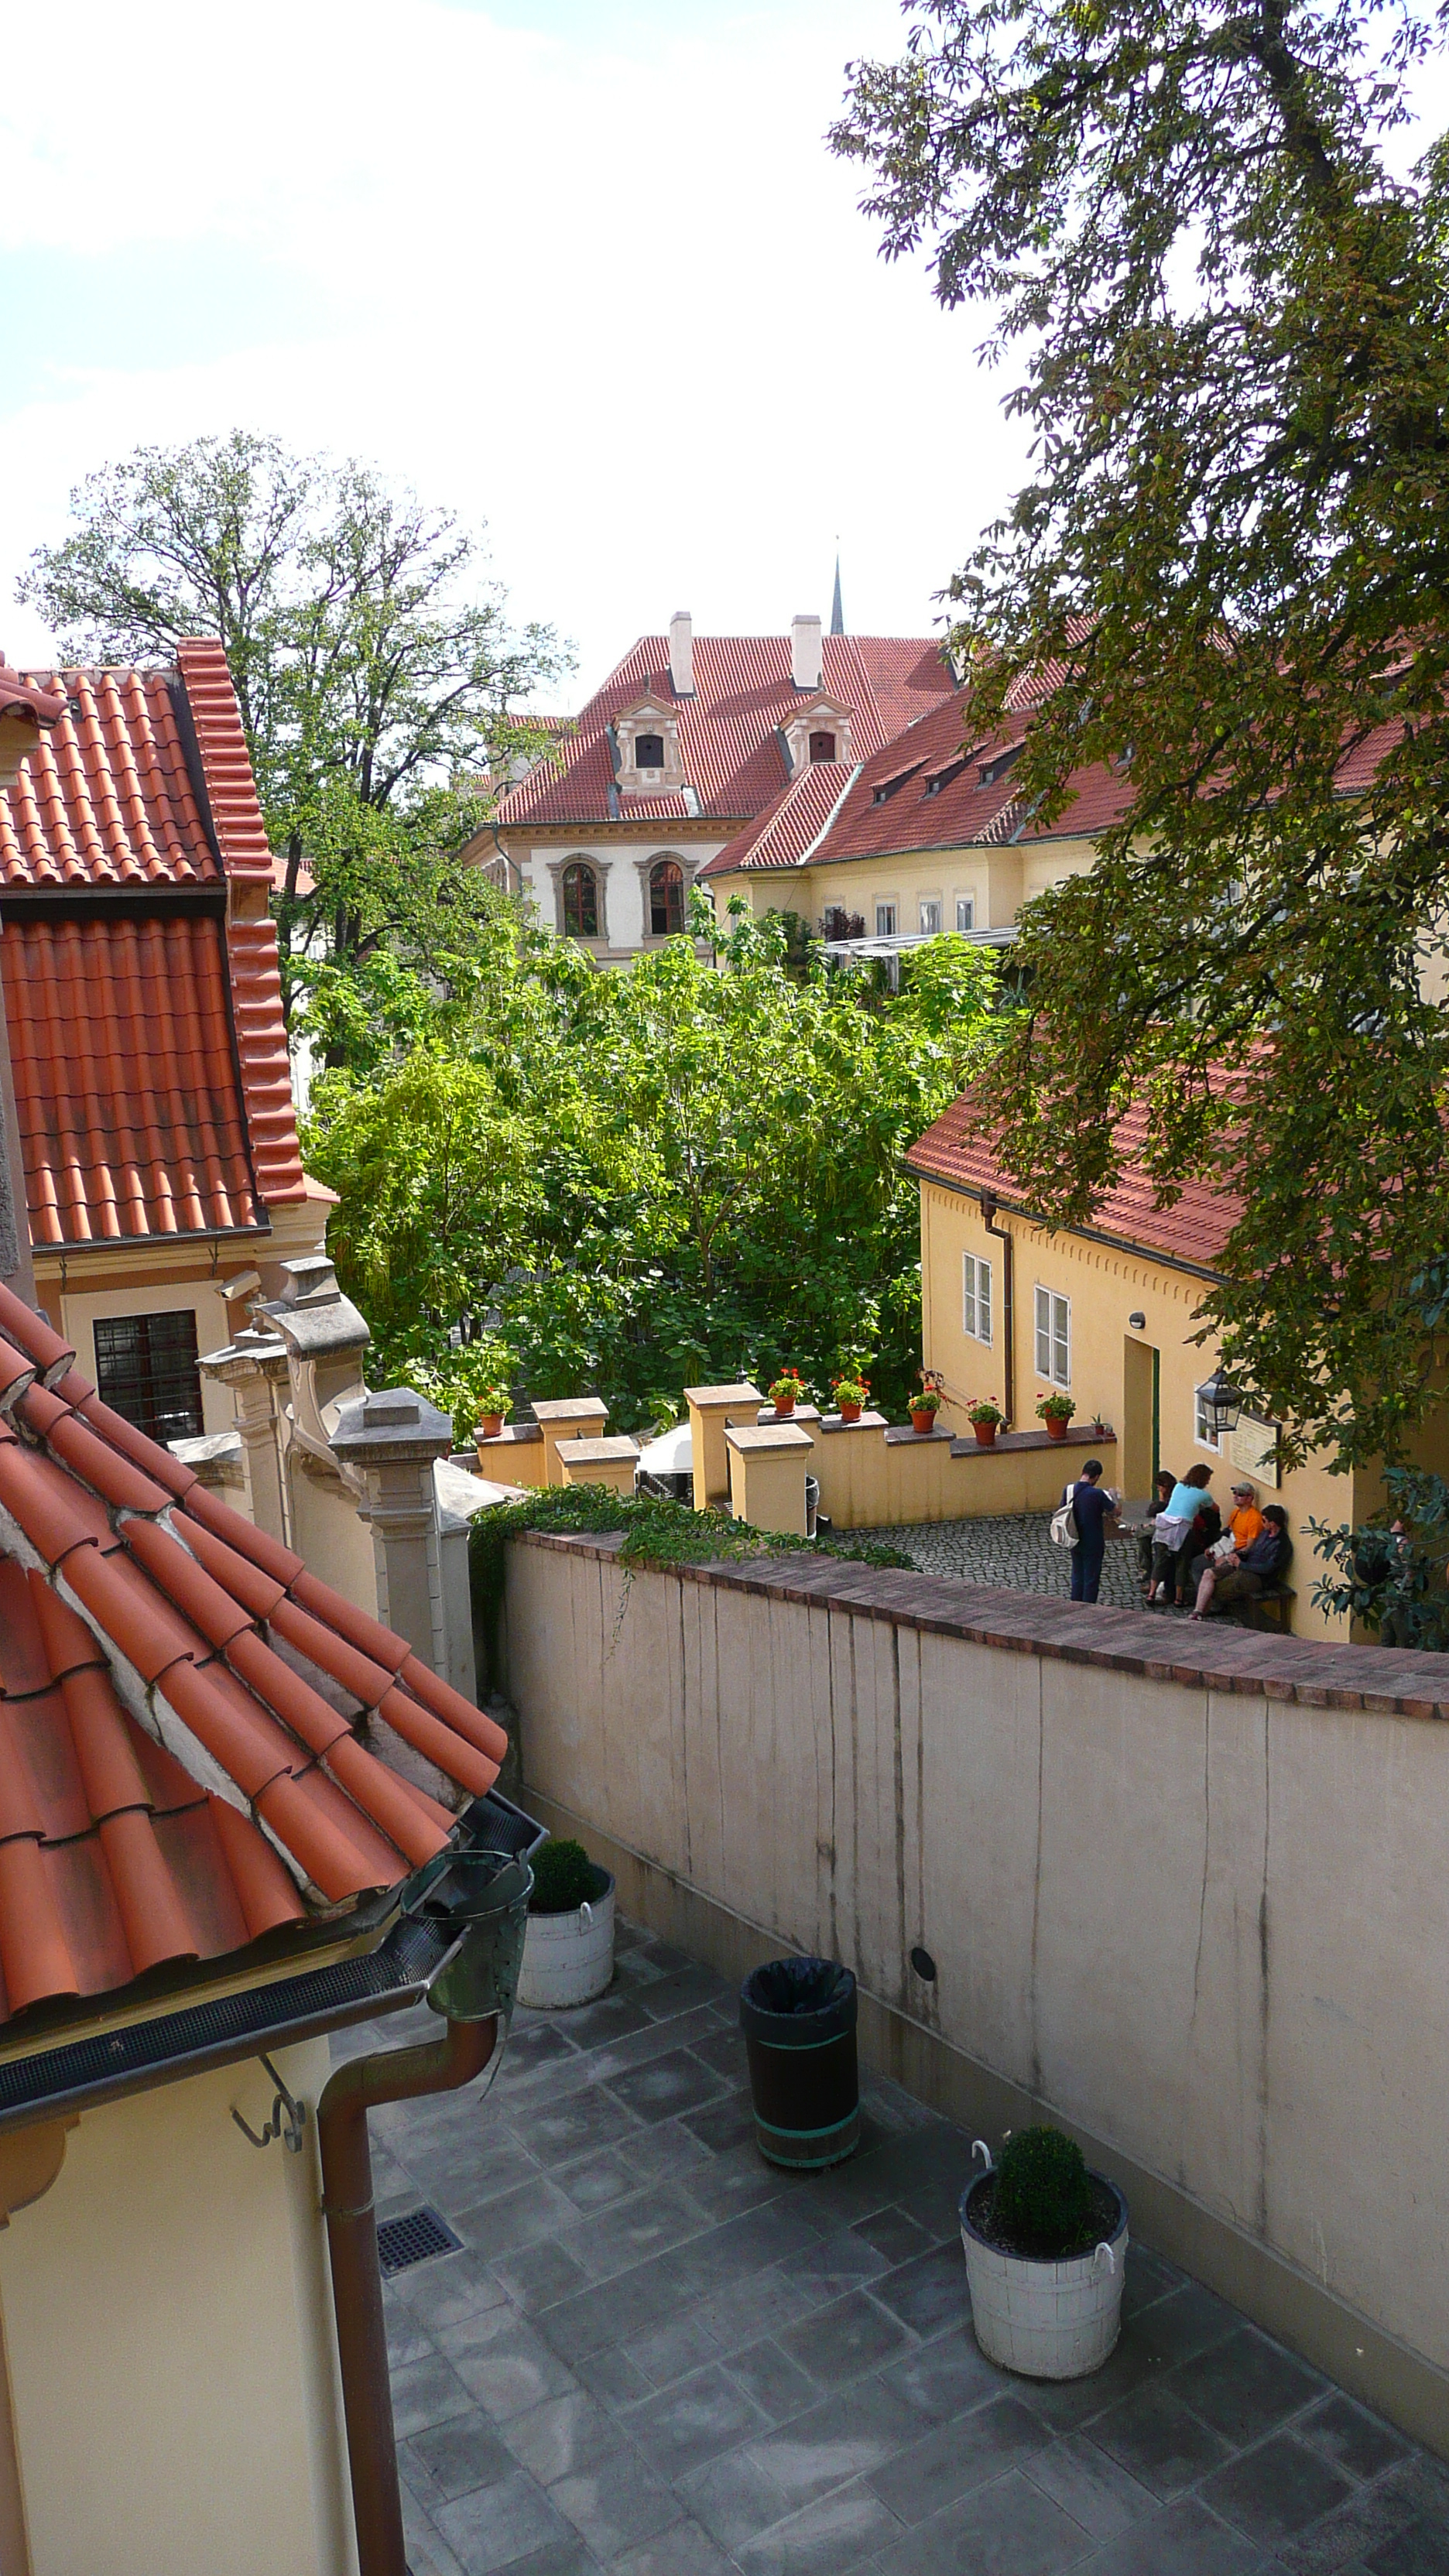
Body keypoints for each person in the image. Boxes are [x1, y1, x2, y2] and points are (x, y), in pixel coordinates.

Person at [1191, 1505, 1292, 1619]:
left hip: (1258, 1577)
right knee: (1208, 1573)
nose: (1262, 1523)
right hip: (1244, 1565)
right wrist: (1235, 1557)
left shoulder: (1281, 1544)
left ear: (1273, 1523)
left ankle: (1204, 1611)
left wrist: (1242, 1564)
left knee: (1216, 1588)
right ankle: (1197, 1612)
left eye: (1264, 1520)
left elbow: (1268, 1568)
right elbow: (1252, 1552)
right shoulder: (1264, 1534)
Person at [1149, 1463, 1214, 1603]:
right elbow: (1215, 1509)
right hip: (1182, 1530)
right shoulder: (1203, 1495)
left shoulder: (1178, 1486)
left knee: (1160, 1561)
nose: (1208, 1482)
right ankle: (1179, 1599)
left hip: (1164, 1526)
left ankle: (1151, 1594)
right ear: (1203, 1479)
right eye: (1208, 1479)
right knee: (1182, 1563)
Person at [1188, 1481, 1264, 1598]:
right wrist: (1212, 1548)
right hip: (1225, 1547)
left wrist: (1228, 1558)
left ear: (1250, 1498)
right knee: (1197, 1564)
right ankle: (1205, 1597)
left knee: (1211, 1572)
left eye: (1240, 1494)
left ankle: (1211, 1601)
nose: (1235, 1496)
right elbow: (1228, 1533)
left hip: (1236, 1554)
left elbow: (1249, 1547)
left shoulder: (1254, 1518)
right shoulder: (1236, 1513)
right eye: (1235, 1493)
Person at [1068, 1459, 1118, 1603]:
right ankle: (1088, 1607)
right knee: (1091, 1577)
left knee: (1077, 1574)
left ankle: (1075, 1603)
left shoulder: (1069, 1490)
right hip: (1093, 1540)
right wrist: (1114, 1496)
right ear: (1096, 1477)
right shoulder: (1097, 1494)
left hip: (1074, 1537)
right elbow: (1116, 1512)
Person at [1138, 1469, 1177, 1596]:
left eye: (1160, 1488)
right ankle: (1146, 1568)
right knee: (1143, 1539)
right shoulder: (1165, 1496)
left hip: (1169, 1529)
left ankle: (1149, 1571)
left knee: (1143, 1534)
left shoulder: (1174, 1497)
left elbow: (1162, 1512)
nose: (1159, 1490)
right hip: (1162, 1524)